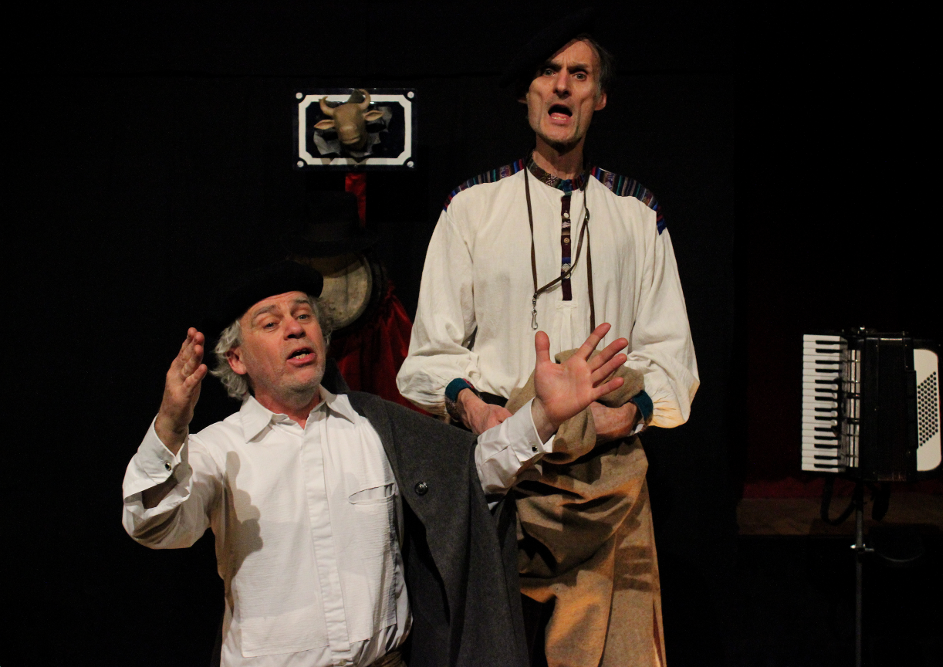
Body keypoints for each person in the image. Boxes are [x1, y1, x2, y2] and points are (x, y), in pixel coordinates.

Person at [122, 260, 630, 667]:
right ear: (236, 359)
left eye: (304, 316)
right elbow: (153, 524)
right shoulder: (217, 450)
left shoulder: (376, 426)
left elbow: (473, 475)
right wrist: (169, 424)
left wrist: (544, 415)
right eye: (271, 324)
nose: (295, 329)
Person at [396, 11, 699, 667]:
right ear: (526, 93)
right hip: (503, 475)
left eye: (579, 74)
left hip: (609, 487)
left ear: (600, 96)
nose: (562, 85)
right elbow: (429, 355)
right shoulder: (472, 208)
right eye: (548, 72)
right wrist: (476, 409)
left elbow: (671, 356)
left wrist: (628, 414)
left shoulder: (637, 214)